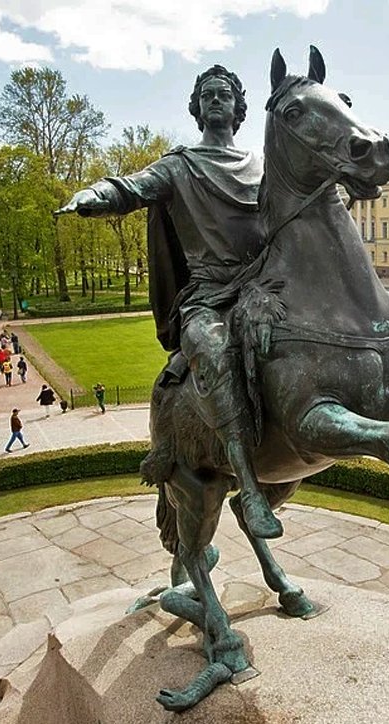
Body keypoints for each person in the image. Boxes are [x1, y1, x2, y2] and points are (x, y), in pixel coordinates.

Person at [59, 63, 281, 538]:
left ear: (239, 108)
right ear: (197, 107)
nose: (216, 100)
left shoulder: (263, 166)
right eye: (208, 95)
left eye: (225, 94)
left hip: (260, 292)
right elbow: (130, 187)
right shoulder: (179, 166)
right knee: (210, 352)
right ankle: (249, 487)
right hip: (206, 299)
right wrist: (95, 194)